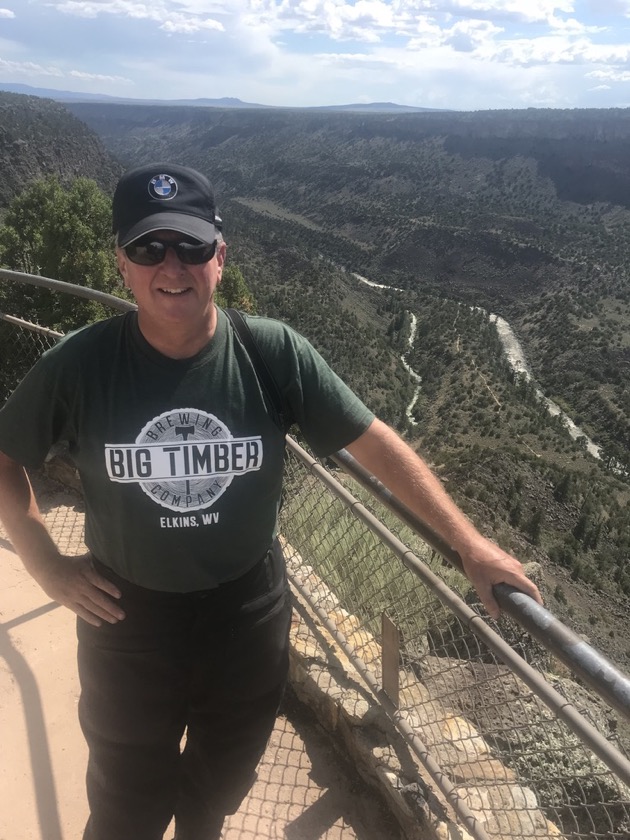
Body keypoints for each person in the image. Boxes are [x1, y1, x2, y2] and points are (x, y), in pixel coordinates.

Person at [0, 163, 542, 840]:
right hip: (126, 621)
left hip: (245, 614)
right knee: (125, 804)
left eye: (192, 247)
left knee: (221, 782)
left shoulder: (271, 352)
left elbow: (374, 443)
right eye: (149, 248)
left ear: (220, 259)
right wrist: (44, 562)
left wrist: (469, 544)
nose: (172, 265)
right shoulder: (80, 365)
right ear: (123, 264)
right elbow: (6, 457)